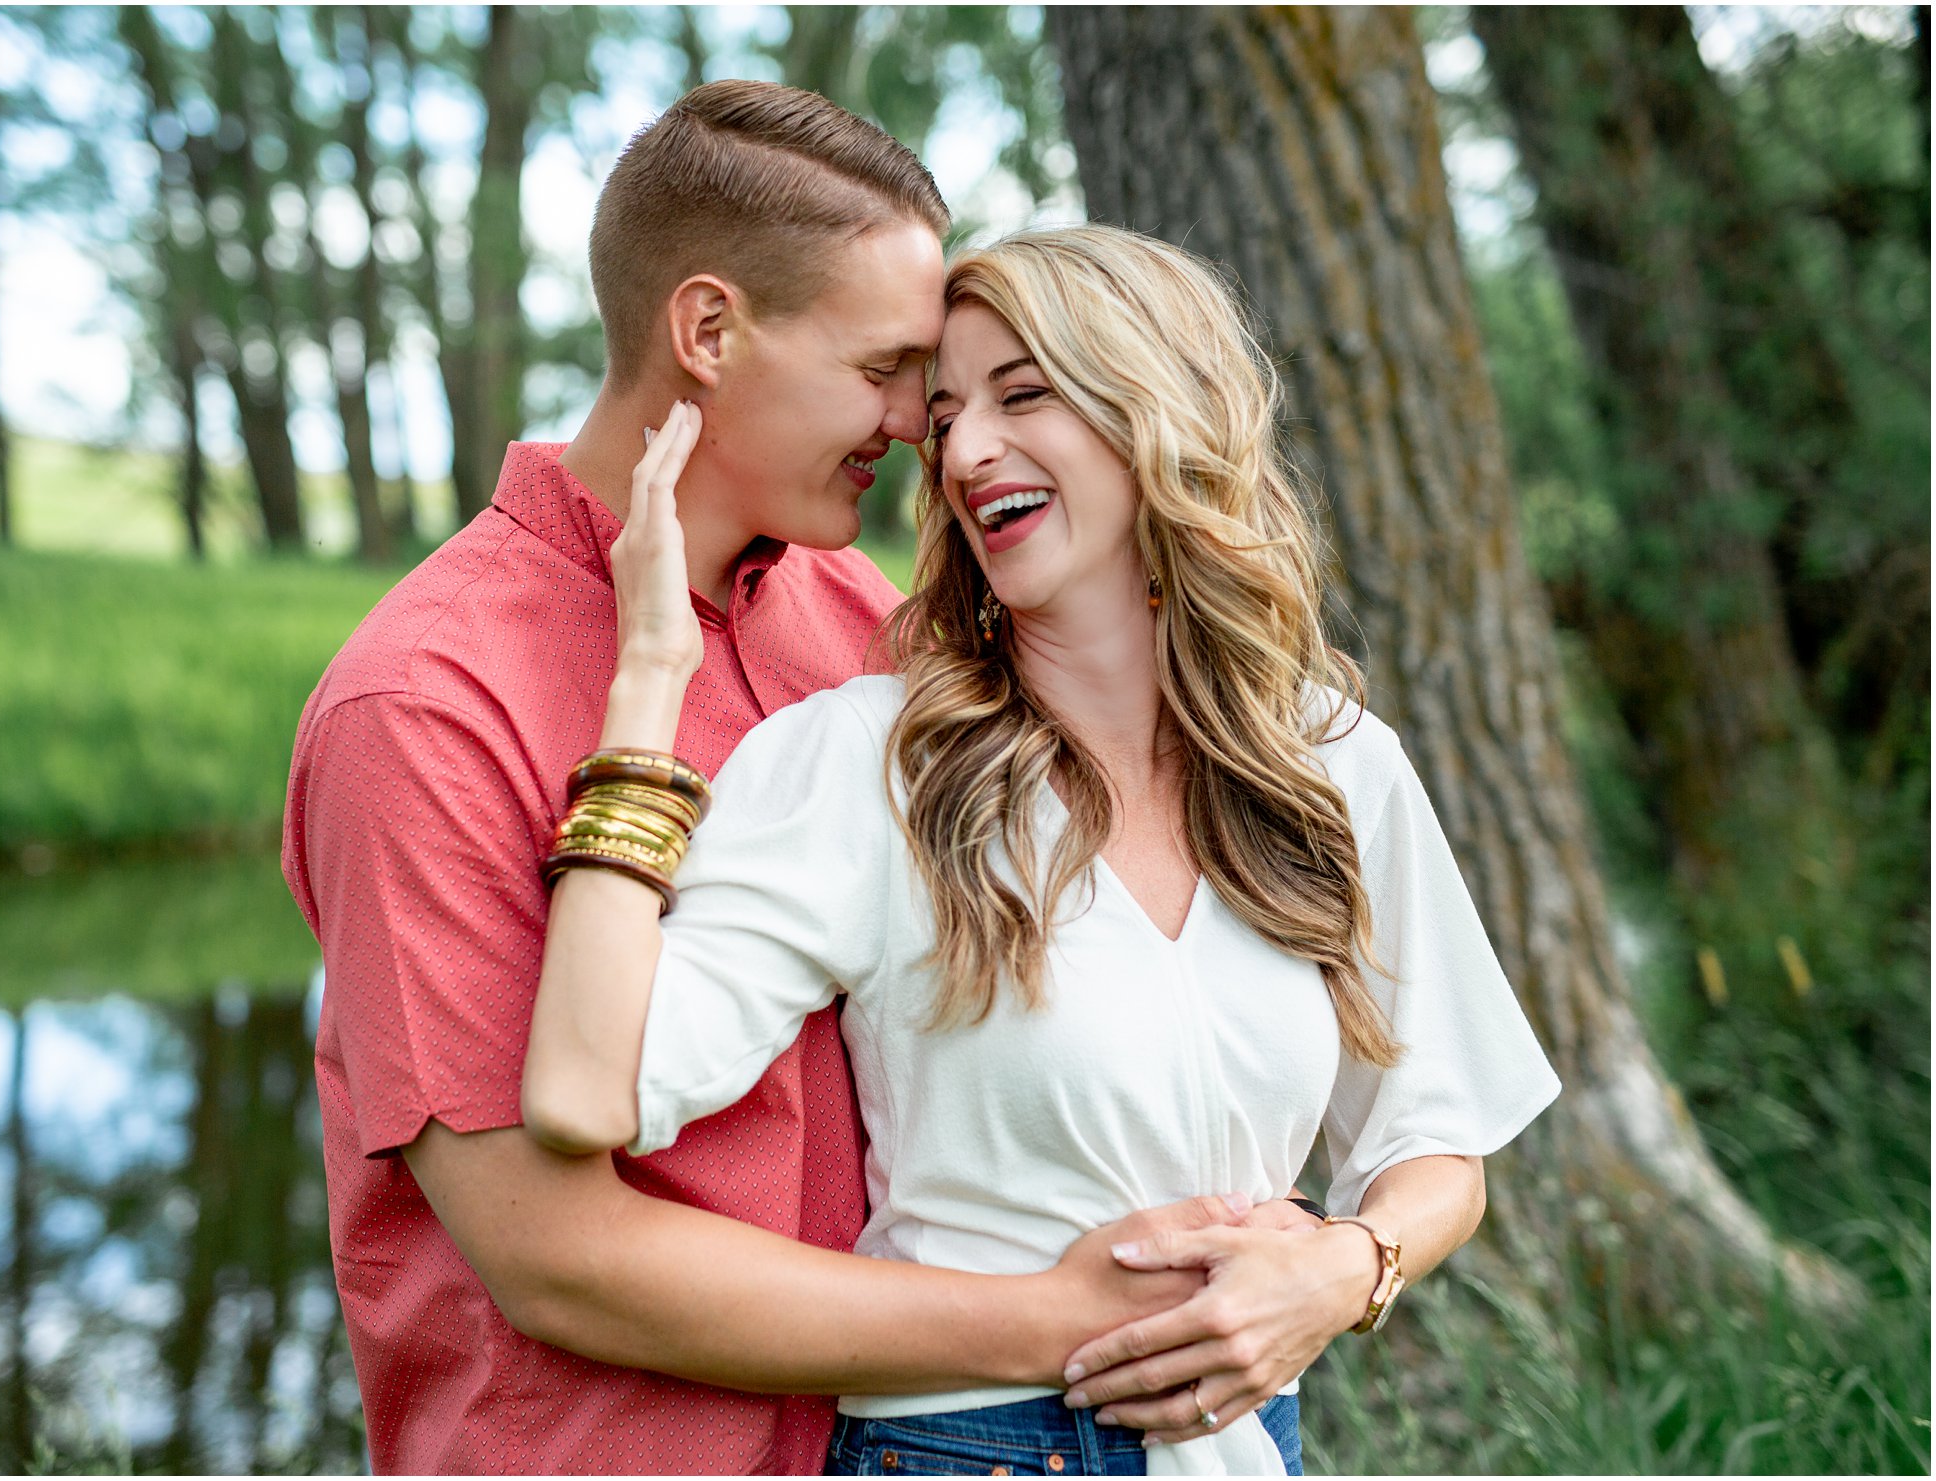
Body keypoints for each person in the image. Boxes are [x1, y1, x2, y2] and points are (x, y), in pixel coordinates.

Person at [284, 84, 1316, 1476]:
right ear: (708, 331)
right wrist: (1057, 1327)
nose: (925, 426)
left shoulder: (853, 616)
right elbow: (554, 1256)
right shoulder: (423, 704)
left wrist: (1320, 1253)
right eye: (890, 369)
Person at [521, 224, 1564, 1476]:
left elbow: (1434, 1136)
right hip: (969, 1446)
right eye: (945, 414)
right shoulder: (868, 762)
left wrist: (1346, 1266)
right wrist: (646, 685)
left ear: (1155, 410)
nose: (962, 451)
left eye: (1023, 394)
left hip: (1245, 1448)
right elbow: (589, 1089)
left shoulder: (1328, 759)